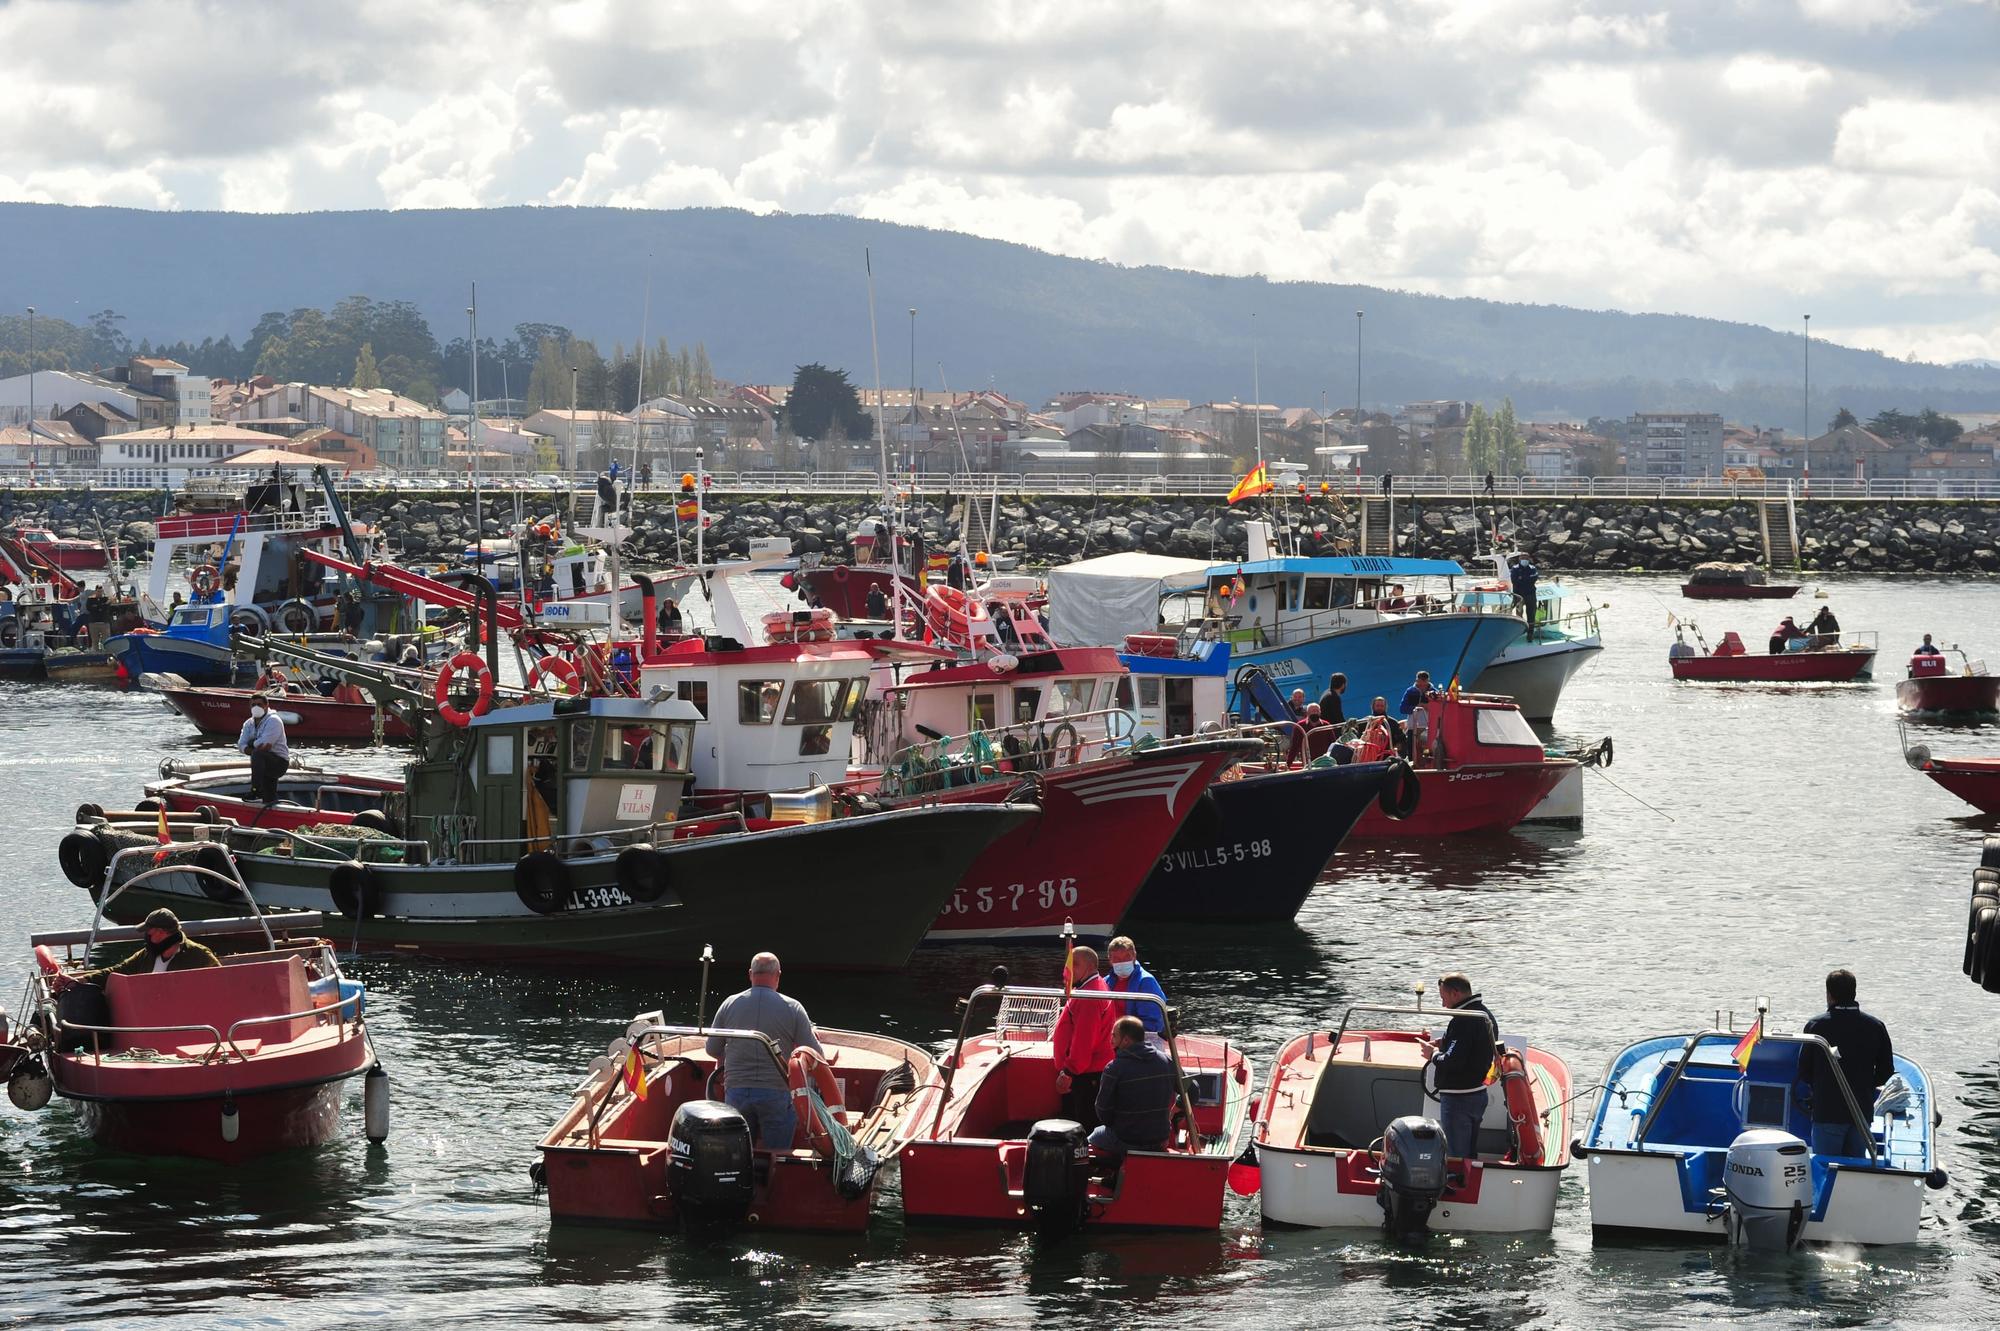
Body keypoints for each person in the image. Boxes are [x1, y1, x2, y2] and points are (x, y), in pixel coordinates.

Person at [707, 952, 825, 1150]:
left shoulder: (729, 1004)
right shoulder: (793, 1008)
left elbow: (712, 1049)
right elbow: (815, 1054)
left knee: (738, 1151)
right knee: (776, 1154)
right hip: (776, 1094)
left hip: (736, 1092)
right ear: (778, 975)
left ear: (750, 974)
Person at [1800, 969, 1895, 1158]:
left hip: (1827, 1112)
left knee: (1826, 1167)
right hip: (1860, 1112)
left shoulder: (1816, 1026)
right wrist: (1865, 1084)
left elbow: (1804, 1070)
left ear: (1829, 995)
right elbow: (1886, 1071)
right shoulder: (1875, 1026)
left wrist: (1821, 1086)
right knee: (1856, 1167)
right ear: (1854, 992)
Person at [1419, 972, 1498, 1165]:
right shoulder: (1484, 1015)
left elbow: (1453, 1061)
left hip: (1458, 1100)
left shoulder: (1464, 1020)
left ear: (1455, 993)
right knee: (1469, 1154)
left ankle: (1456, 1188)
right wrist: (1444, 1042)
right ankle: (1470, 1186)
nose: (1443, 1004)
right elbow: (1472, 1048)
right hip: (1477, 1095)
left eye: (1443, 998)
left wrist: (1433, 1055)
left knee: (1456, 1157)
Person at [57, 909, 221, 986]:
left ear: (161, 932)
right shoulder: (146, 955)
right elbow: (118, 970)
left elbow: (221, 981)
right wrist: (81, 980)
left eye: (148, 931)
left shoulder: (200, 956)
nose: (146, 936)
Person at [1090, 1016, 1176, 1161]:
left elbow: (1102, 1111)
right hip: (1158, 1138)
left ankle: (1109, 1176)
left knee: (1088, 1140)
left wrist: (1118, 1124)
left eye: (1114, 1036)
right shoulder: (1166, 1060)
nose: (1111, 1040)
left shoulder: (1114, 1068)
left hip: (1126, 1138)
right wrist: (1175, 1110)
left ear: (1126, 1040)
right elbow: (1193, 1090)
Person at [1051, 945, 1115, 1131]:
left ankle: (1082, 1159)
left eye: (1073, 966)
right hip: (1087, 1072)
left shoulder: (1089, 996)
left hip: (1085, 1075)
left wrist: (1068, 1073)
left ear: (1088, 967)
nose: (1066, 972)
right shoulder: (1094, 986)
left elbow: (1084, 1040)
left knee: (1082, 1126)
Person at [1104, 936, 1169, 1050]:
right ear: (1110, 960)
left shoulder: (1146, 981)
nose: (1122, 962)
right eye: (1117, 959)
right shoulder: (1105, 981)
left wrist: (1123, 1034)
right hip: (1112, 1041)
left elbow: (1154, 1023)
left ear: (1134, 956)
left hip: (1141, 1044)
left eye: (1126, 957)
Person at [237, 694, 290, 805]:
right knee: (269, 796)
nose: (256, 707)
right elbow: (241, 745)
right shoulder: (248, 724)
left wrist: (251, 744)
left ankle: (256, 791)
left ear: (266, 706)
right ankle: (270, 806)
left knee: (258, 754)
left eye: (259, 705)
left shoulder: (274, 720)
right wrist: (252, 747)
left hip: (279, 762)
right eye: (253, 705)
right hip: (262, 762)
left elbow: (266, 744)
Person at [1509, 554, 1540, 631]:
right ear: (1519, 559)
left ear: (1529, 559)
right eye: (1522, 558)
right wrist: (1527, 579)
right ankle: (1520, 630)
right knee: (1519, 613)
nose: (1524, 559)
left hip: (1530, 595)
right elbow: (1514, 581)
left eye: (1526, 558)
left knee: (1531, 614)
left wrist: (1522, 578)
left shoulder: (1533, 568)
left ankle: (1530, 632)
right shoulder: (1515, 568)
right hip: (1518, 595)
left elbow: (1534, 579)